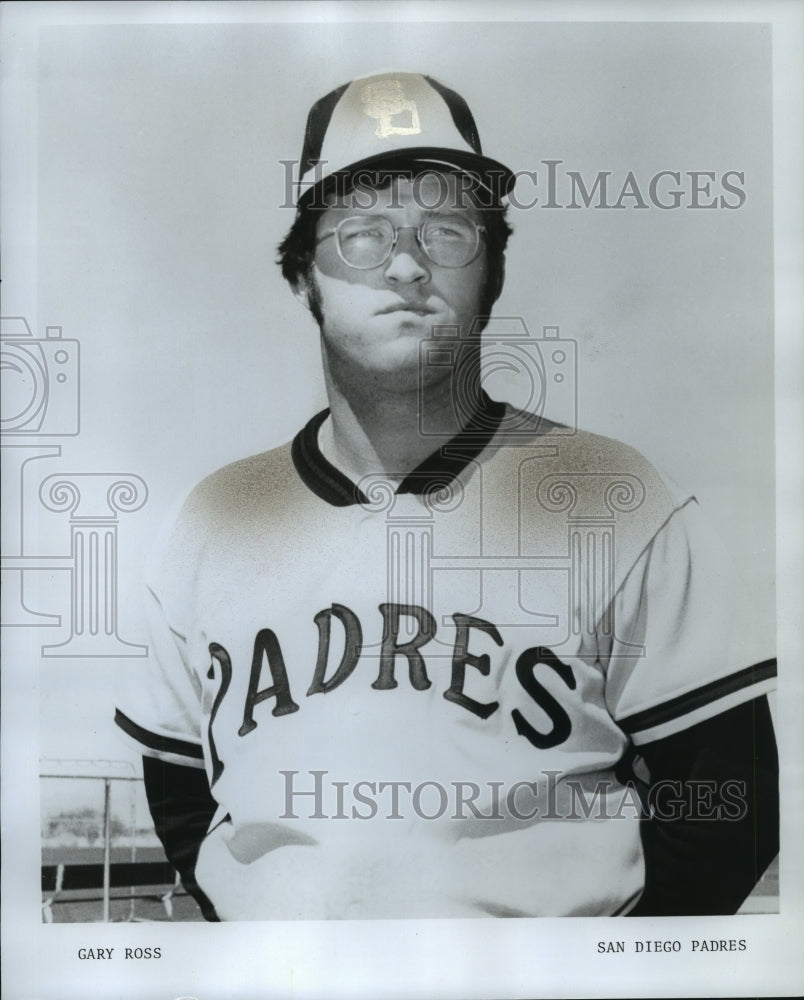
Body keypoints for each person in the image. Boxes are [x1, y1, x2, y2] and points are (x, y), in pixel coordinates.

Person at [115, 71, 778, 920]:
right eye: (360, 234)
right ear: (302, 278)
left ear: (492, 274)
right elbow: (182, 800)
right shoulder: (213, 521)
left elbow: (730, 810)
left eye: (448, 231)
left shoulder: (612, 496)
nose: (404, 265)